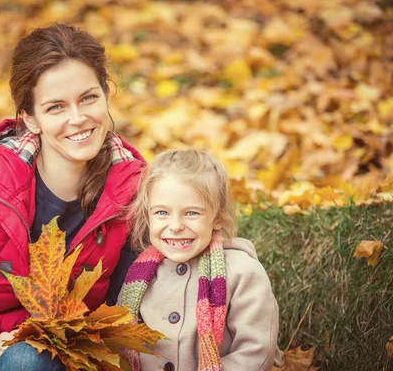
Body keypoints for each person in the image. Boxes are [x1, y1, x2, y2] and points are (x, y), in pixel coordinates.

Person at [0, 23, 146, 371]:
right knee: (25, 361)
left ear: (107, 93)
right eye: (56, 107)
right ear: (30, 119)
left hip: (73, 359)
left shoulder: (133, 194)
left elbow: (126, 307)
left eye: (88, 98)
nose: (78, 119)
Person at [119, 149, 282, 371]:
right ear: (147, 215)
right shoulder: (138, 278)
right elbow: (120, 340)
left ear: (218, 217)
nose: (175, 226)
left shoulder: (241, 271)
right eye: (162, 213)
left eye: (191, 213)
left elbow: (255, 352)